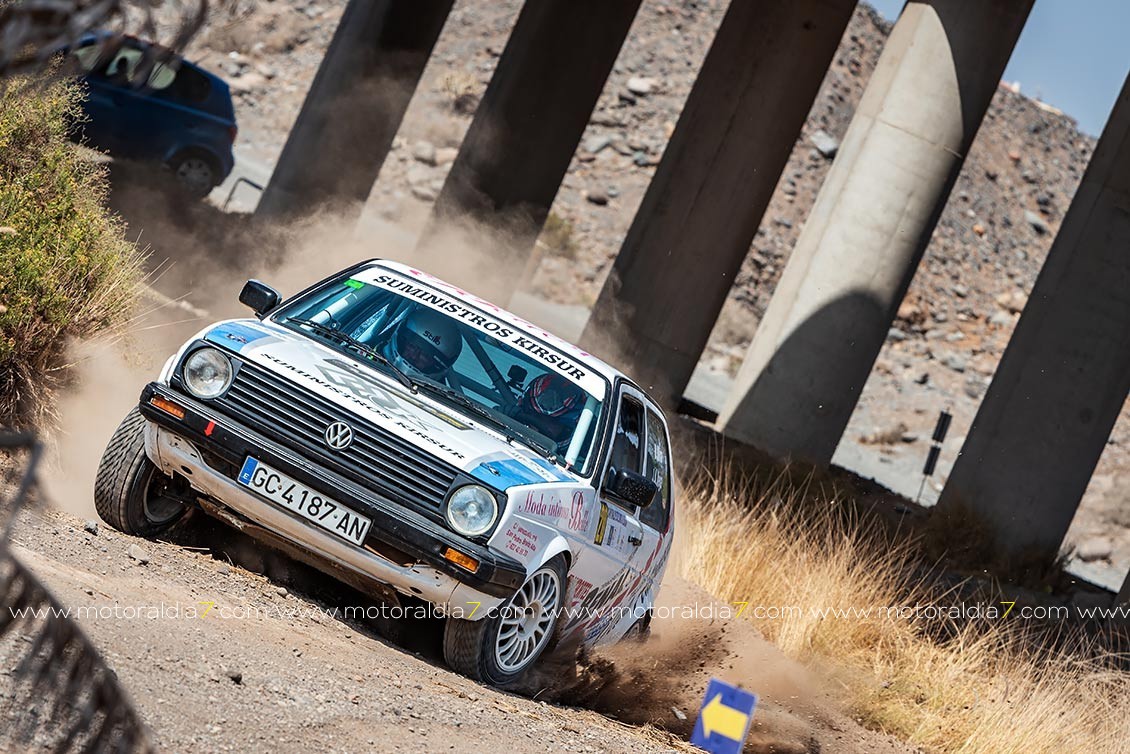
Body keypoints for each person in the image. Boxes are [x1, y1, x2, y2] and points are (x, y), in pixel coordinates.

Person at [382, 307, 463, 382]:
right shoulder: (371, 356)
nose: (414, 356)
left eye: (425, 355)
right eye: (412, 346)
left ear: (436, 365)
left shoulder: (435, 397)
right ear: (401, 340)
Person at [513, 373, 584, 451]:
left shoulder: (573, 460)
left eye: (551, 422)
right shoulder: (501, 423)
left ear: (566, 430)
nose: (537, 426)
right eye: (535, 416)